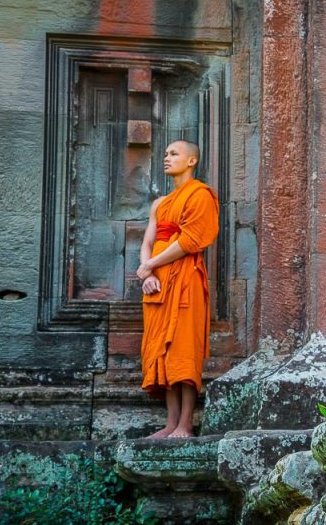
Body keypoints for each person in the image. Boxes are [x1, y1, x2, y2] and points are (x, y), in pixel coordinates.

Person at [136, 140, 219, 438]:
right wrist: (147, 272)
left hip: (186, 280)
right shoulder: (160, 204)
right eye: (166, 153)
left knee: (184, 347)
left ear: (192, 160)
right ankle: (170, 423)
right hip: (157, 283)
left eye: (174, 153)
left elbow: (190, 241)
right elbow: (146, 242)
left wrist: (151, 264)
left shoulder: (201, 195)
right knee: (161, 350)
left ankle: (186, 423)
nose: (166, 158)